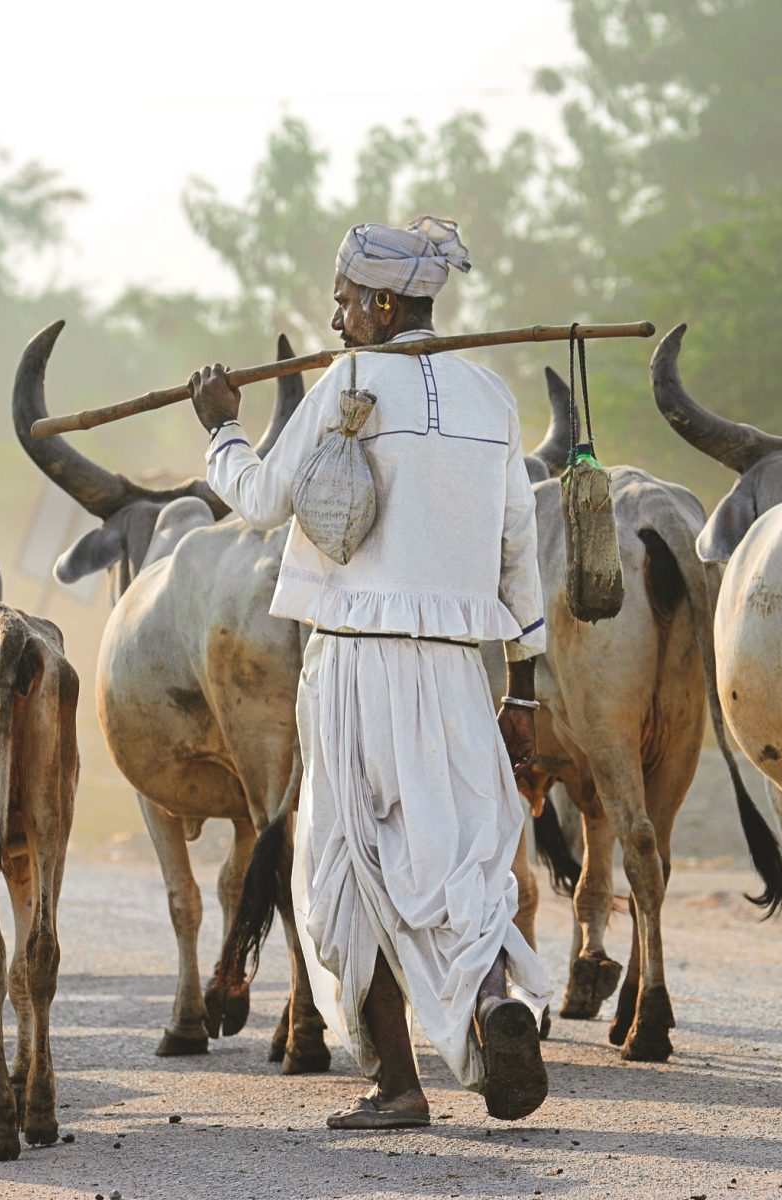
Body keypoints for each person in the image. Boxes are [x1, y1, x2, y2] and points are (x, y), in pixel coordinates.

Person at [189, 216, 551, 1129]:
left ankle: (398, 1085)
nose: (337, 313)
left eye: (347, 298)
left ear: (386, 304)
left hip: (353, 668)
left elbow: (267, 502)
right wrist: (524, 693)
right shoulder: (492, 397)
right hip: (464, 673)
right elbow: (519, 552)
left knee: (352, 870)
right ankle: (493, 1008)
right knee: (461, 861)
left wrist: (224, 431)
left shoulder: (348, 380)